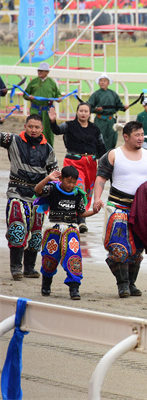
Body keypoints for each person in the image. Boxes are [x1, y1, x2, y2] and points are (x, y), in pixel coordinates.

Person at [92, 121, 147, 298]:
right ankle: (122, 284)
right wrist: (96, 199)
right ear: (126, 137)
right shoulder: (113, 155)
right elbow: (101, 178)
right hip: (117, 206)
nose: (141, 138)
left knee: (137, 249)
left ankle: (131, 283)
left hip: (140, 209)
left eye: (142, 134)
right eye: (137, 135)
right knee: (118, 247)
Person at [2, 114, 57, 279]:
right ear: (25, 127)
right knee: (17, 226)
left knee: (36, 232)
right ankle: (16, 268)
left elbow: (54, 173)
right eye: (30, 126)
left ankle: (29, 268)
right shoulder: (13, 140)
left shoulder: (48, 148)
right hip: (17, 192)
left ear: (42, 129)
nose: (33, 130)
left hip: (38, 196)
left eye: (37, 127)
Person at [34, 166, 98, 300]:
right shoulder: (52, 189)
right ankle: (46, 285)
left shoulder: (78, 193)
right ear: (61, 179)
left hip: (71, 229)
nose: (71, 185)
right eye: (68, 181)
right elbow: (37, 190)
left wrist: (94, 211)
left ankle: (74, 288)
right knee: (49, 256)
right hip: (53, 228)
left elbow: (81, 213)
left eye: (74, 182)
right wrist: (48, 178)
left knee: (74, 255)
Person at [48, 102, 106, 234]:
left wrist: (107, 162)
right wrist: (52, 121)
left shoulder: (95, 129)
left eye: (86, 111)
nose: (83, 113)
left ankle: (78, 214)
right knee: (78, 188)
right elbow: (57, 130)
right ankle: (81, 221)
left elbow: (101, 147)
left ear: (90, 113)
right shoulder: (69, 125)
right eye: (81, 111)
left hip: (91, 164)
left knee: (88, 190)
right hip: (74, 162)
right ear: (77, 112)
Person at [88, 73, 131, 153]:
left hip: (111, 121)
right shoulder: (95, 95)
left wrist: (124, 107)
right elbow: (89, 107)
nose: (103, 82)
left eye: (105, 81)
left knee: (111, 140)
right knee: (99, 139)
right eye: (101, 81)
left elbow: (119, 105)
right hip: (100, 121)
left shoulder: (113, 94)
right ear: (98, 82)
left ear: (108, 83)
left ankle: (109, 156)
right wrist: (96, 110)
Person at [23, 62, 60, 144]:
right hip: (35, 110)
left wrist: (59, 98)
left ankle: (48, 148)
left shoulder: (52, 83)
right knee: (33, 129)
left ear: (47, 72)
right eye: (38, 70)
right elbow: (25, 94)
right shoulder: (33, 82)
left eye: (41, 71)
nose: (39, 72)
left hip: (47, 111)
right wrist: (29, 97)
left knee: (48, 130)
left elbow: (58, 95)